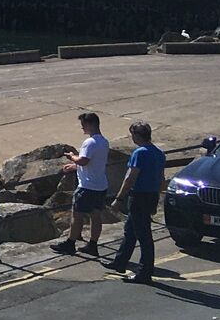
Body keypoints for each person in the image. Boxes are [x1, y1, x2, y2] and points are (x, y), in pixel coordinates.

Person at [106, 121, 164, 284]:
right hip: (151, 195)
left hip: (139, 196)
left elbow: (130, 178)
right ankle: (120, 261)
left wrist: (119, 198)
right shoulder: (159, 153)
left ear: (137, 135)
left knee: (143, 235)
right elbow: (161, 178)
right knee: (130, 230)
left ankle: (145, 272)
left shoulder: (140, 153)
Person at [53, 112, 110, 256]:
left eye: (83, 125)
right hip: (101, 185)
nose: (82, 128)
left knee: (77, 215)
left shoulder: (90, 142)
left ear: (90, 125)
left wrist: (72, 157)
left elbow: (83, 160)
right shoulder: (104, 141)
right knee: (95, 215)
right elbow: (94, 162)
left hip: (87, 186)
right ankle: (93, 244)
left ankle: (70, 243)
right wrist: (75, 167)